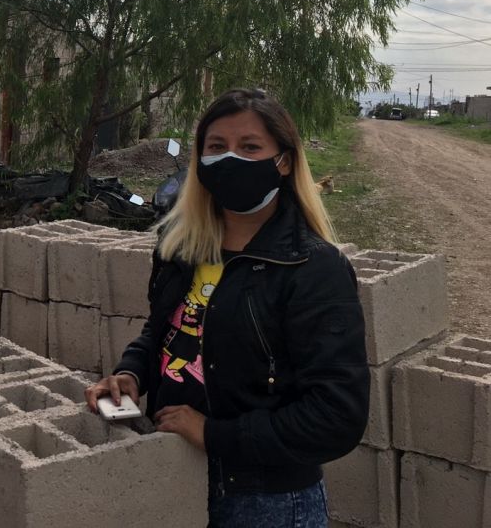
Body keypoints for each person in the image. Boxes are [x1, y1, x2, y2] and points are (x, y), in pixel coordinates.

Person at [85, 88, 368, 527]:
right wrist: (131, 375)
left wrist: (214, 435)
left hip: (266, 501)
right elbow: (165, 333)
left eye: (250, 147)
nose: (230, 158)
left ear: (285, 161)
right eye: (217, 147)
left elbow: (337, 416)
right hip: (175, 475)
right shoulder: (181, 246)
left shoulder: (314, 268)